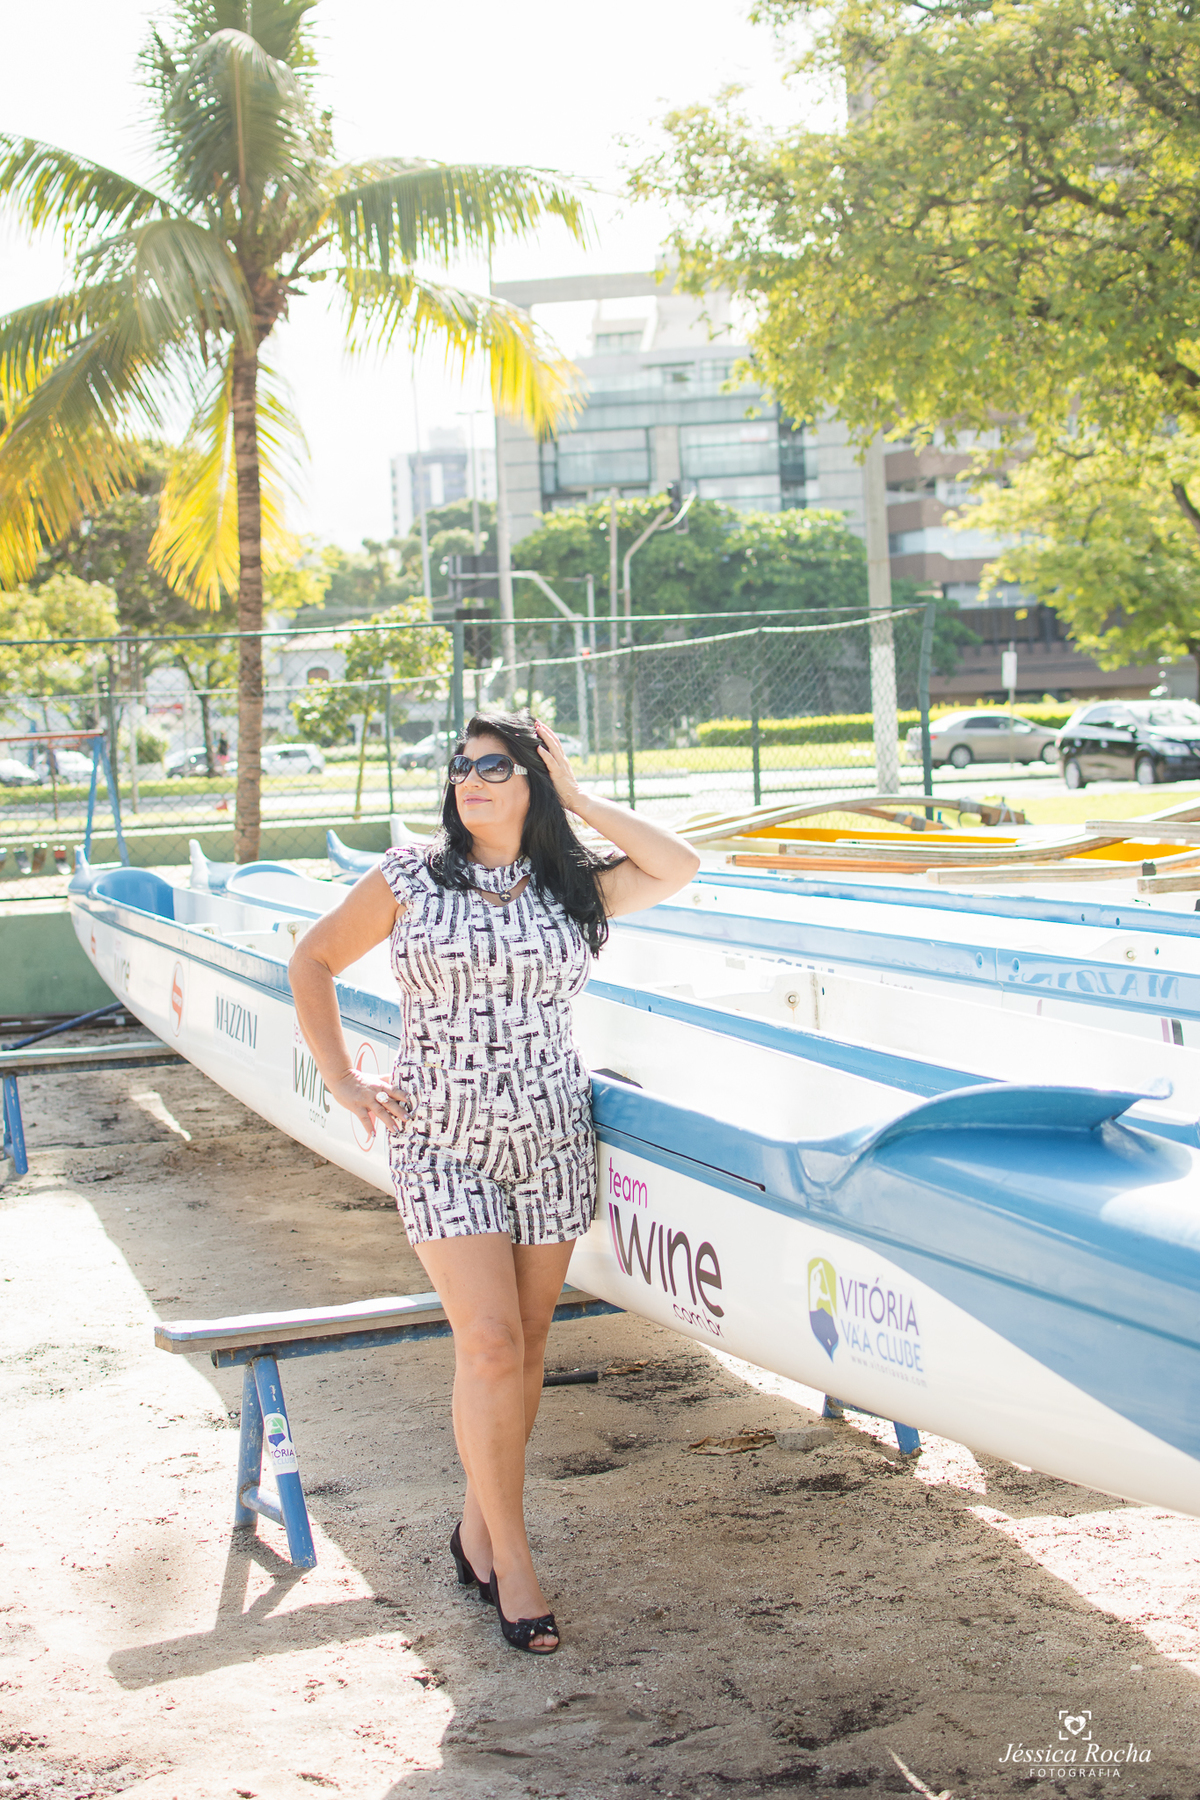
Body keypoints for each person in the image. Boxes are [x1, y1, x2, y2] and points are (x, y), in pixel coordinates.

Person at [289, 712, 699, 1655]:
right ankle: (513, 1562)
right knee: (485, 1342)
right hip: (440, 1138)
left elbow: (679, 866)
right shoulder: (409, 876)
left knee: (526, 1347)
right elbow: (310, 959)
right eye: (461, 764)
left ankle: (476, 1528)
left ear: (535, 781)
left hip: (552, 1138)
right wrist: (345, 1078)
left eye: (496, 766)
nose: (470, 778)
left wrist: (582, 796)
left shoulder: (575, 886)